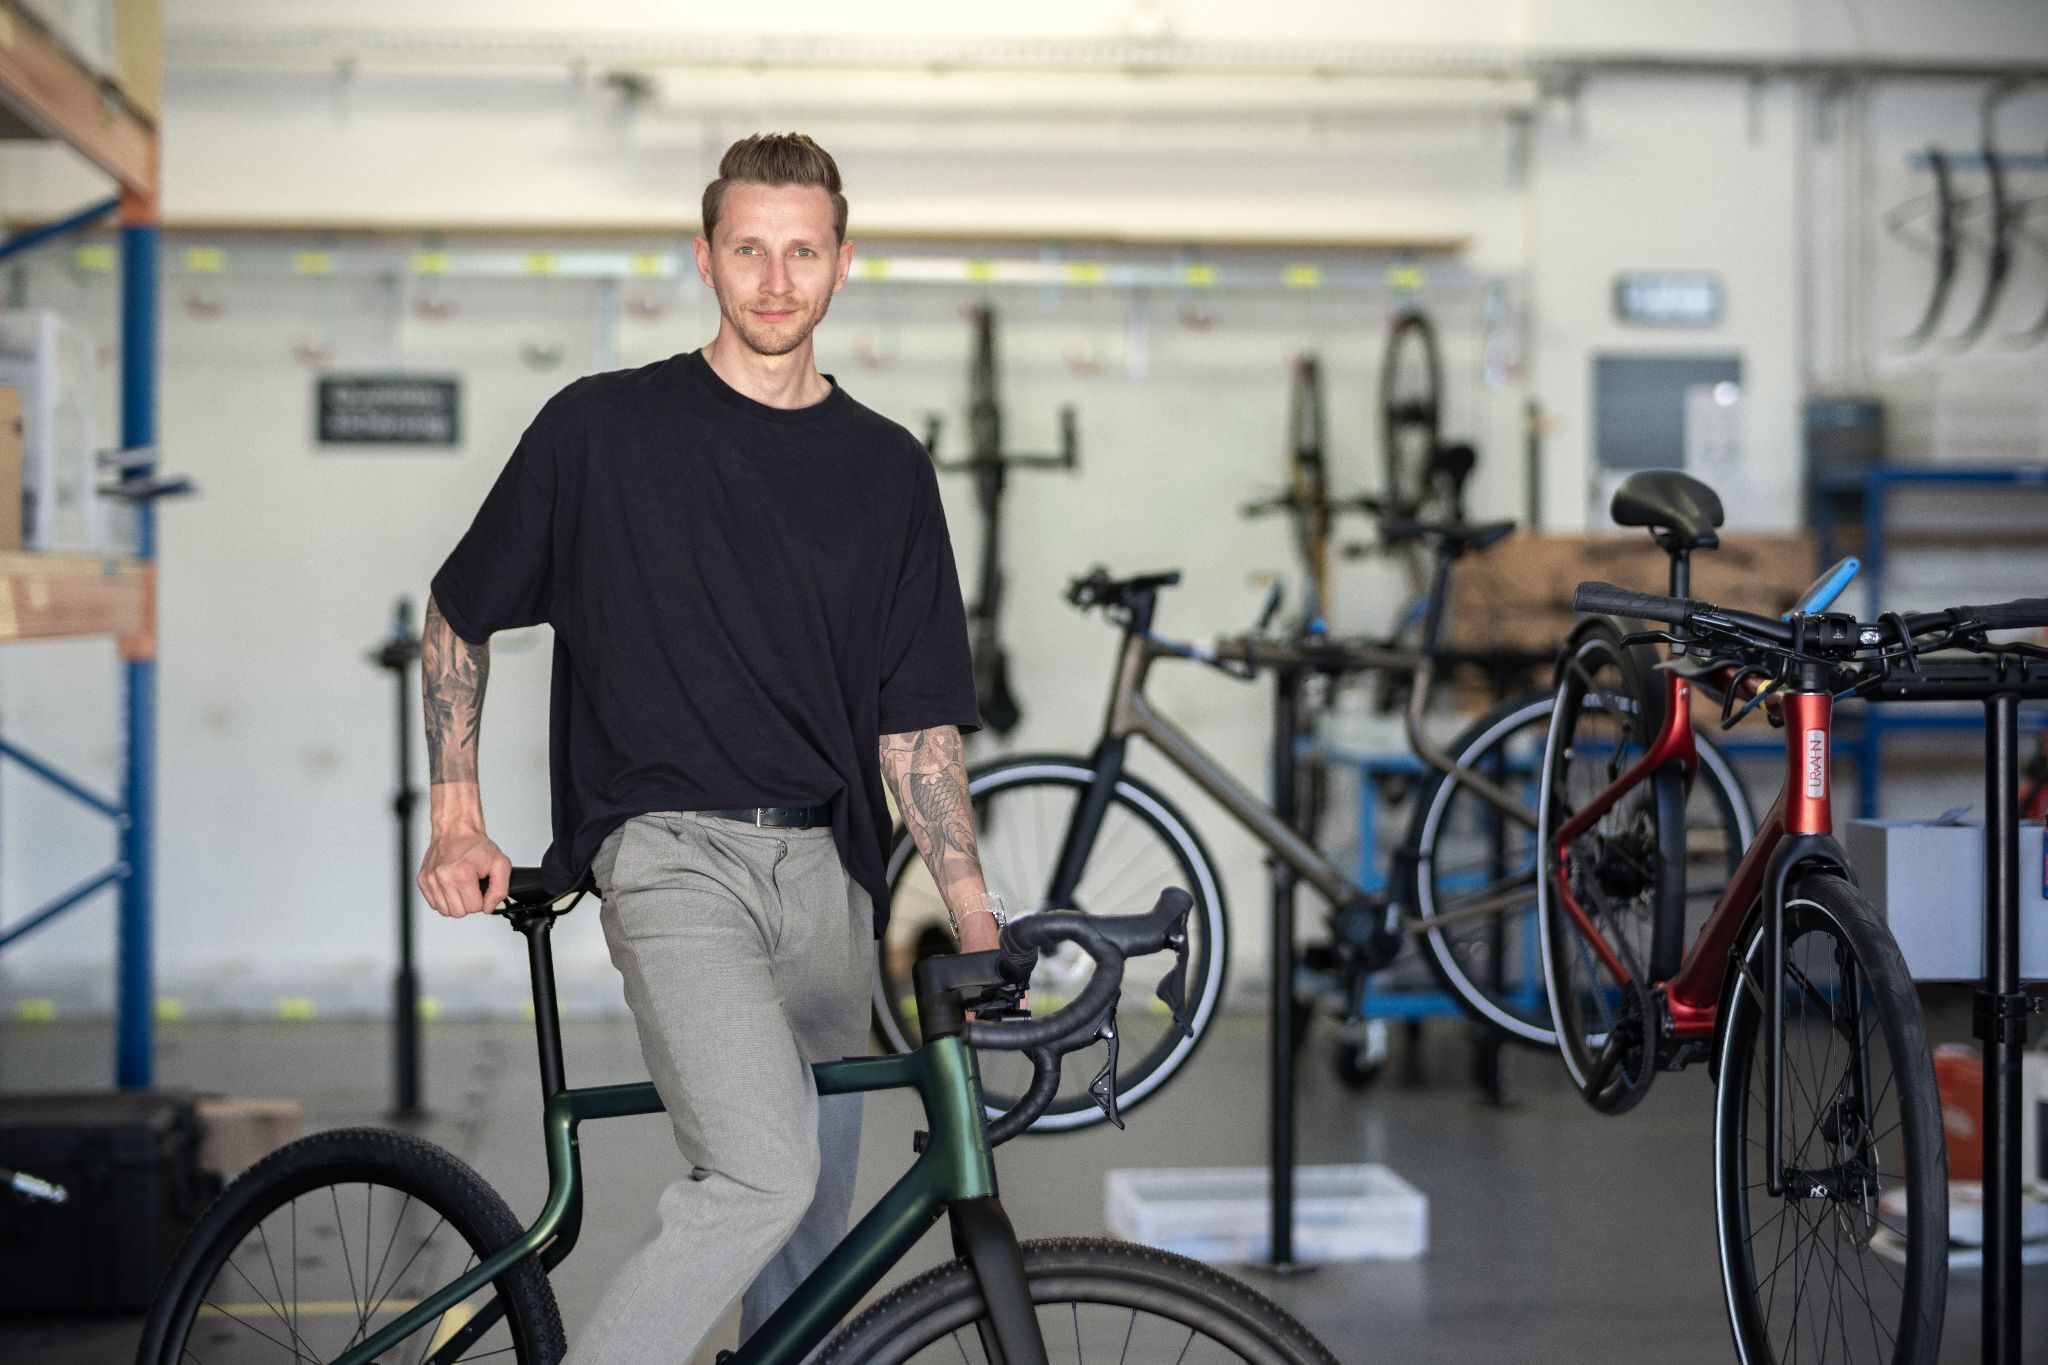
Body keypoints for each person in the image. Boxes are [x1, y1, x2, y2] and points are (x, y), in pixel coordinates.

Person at [414, 131, 998, 1363]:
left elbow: (915, 723)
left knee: (812, 1244)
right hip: (668, 855)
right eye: (748, 250)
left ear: (842, 264)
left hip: (828, 880)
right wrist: (456, 813)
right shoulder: (602, 430)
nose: (774, 280)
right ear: (704, 258)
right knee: (759, 1173)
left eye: (800, 252)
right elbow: (460, 608)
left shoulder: (887, 469)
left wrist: (974, 914)